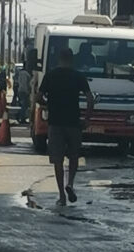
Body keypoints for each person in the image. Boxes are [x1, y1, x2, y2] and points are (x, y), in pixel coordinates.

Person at [37, 47, 94, 206]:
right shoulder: (78, 76)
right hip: (74, 123)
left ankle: (62, 195)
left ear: (59, 59)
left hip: (55, 123)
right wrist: (87, 119)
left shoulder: (51, 75)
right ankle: (70, 184)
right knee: (74, 157)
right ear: (72, 59)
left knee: (58, 160)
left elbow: (38, 97)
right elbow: (90, 99)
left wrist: (49, 104)